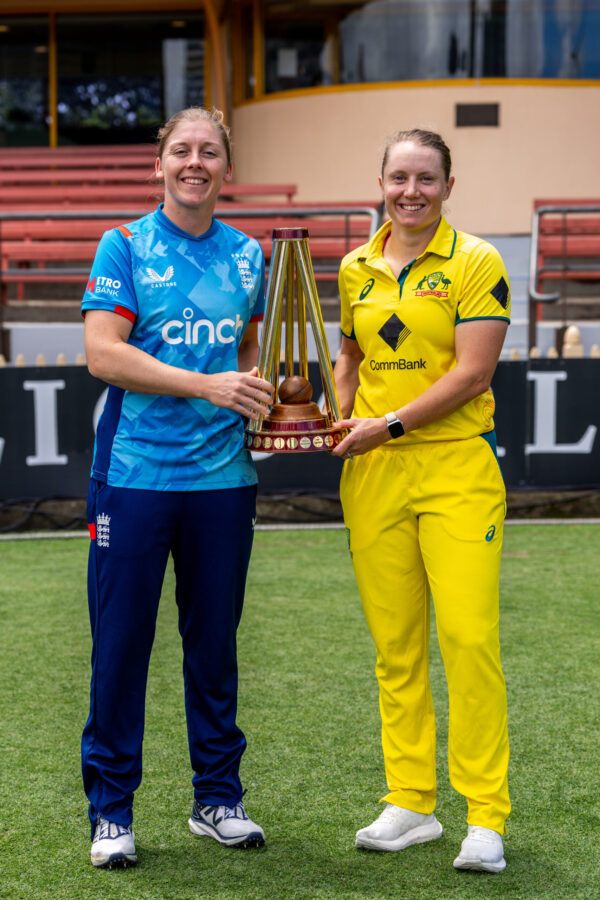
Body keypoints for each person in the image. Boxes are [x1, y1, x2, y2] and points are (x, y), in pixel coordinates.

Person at [80, 107, 274, 869]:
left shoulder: (253, 255)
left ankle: (217, 798)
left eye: (210, 153)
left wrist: (264, 394)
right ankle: (111, 811)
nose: (195, 163)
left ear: (228, 168)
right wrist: (208, 385)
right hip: (132, 477)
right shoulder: (124, 245)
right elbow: (103, 353)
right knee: (121, 645)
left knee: (214, 645)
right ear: (159, 163)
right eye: (182, 151)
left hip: (223, 479)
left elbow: (252, 347)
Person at [331, 128, 511, 873]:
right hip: (372, 476)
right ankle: (411, 802)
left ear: (448, 185)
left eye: (426, 179)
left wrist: (390, 424)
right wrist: (334, 421)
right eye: (399, 177)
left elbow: (473, 373)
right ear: (380, 182)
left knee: (467, 641)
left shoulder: (476, 261)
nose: (411, 191)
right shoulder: (353, 266)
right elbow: (350, 352)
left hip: (455, 469)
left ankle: (485, 817)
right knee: (395, 647)